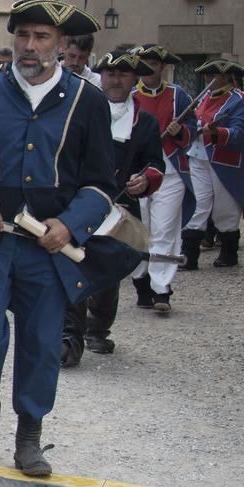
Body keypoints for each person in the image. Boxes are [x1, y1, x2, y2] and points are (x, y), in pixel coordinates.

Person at [0, 0, 117, 477]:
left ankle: (29, 434)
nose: (29, 47)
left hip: (48, 249)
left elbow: (102, 182)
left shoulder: (87, 100)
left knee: (40, 342)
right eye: (22, 36)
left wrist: (71, 223)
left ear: (61, 45)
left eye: (41, 38)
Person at [66, 52, 165, 363]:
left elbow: (155, 165)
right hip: (79, 202)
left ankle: (97, 330)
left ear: (134, 78)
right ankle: (70, 335)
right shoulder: (78, 111)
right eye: (109, 73)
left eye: (123, 74)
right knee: (73, 263)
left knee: (107, 271)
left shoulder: (144, 121)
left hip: (120, 206)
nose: (115, 80)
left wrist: (144, 180)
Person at [126, 44, 195, 316]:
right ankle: (141, 281)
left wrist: (179, 132)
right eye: (143, 63)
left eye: (153, 63)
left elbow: (192, 132)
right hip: (137, 172)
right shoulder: (129, 97)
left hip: (170, 172)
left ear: (163, 66)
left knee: (165, 230)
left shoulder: (179, 96)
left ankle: (161, 288)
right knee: (139, 229)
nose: (149, 68)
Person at [181, 58, 244, 269]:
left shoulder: (240, 101)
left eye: (215, 75)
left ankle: (229, 252)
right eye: (207, 74)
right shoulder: (202, 98)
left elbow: (240, 133)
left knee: (225, 208)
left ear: (227, 77)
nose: (209, 79)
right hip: (198, 157)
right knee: (197, 204)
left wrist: (217, 132)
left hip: (224, 161)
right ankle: (189, 255)